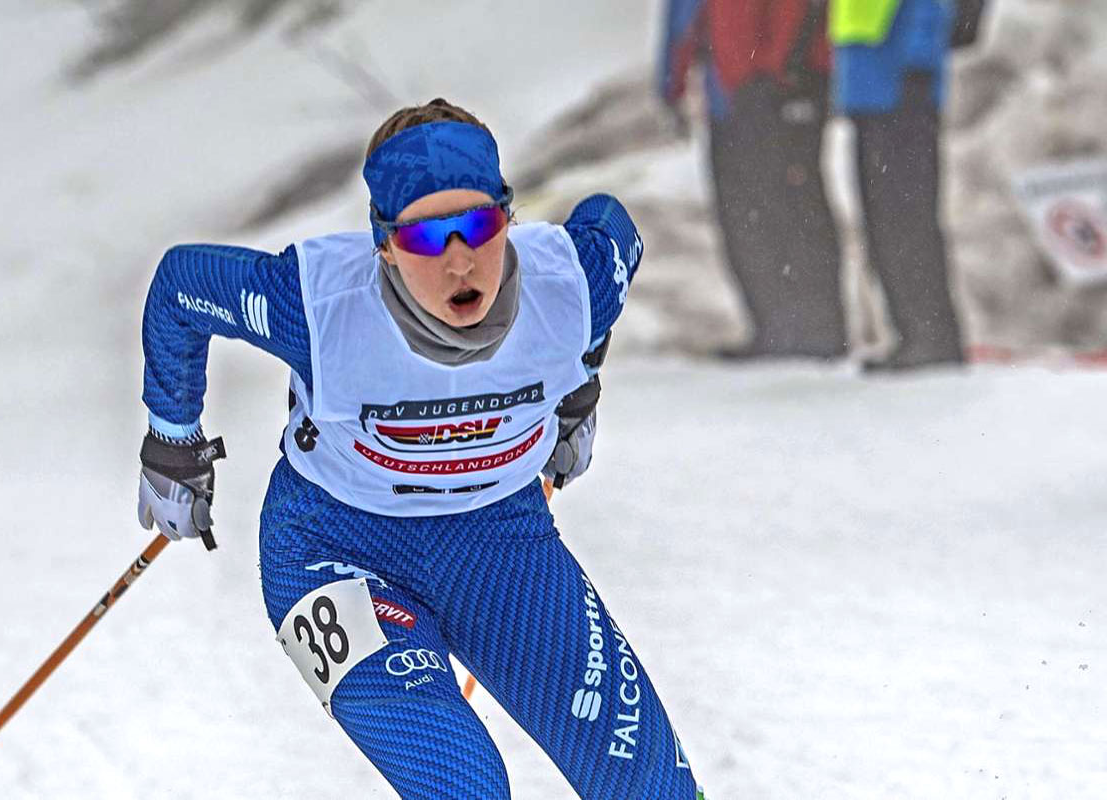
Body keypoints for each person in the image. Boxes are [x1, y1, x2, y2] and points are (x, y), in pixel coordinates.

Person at [134, 99, 705, 799]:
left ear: (508, 217)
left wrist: (577, 381)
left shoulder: (573, 283)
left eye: (480, 226)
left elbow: (612, 221)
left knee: (651, 788)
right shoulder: (317, 306)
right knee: (464, 784)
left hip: (501, 542)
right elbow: (181, 287)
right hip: (333, 549)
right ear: (384, 244)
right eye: (429, 239)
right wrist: (172, 443)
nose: (462, 261)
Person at [660, 0, 848, 360]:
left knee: (792, 204)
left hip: (778, 82)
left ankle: (817, 328)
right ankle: (775, 325)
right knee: (745, 213)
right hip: (732, 90)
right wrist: (673, 82)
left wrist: (785, 69)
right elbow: (684, 15)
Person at [830, 0, 986, 370]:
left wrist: (919, 58)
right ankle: (912, 333)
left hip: (899, 82)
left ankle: (931, 336)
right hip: (868, 81)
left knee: (906, 218)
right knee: (883, 220)